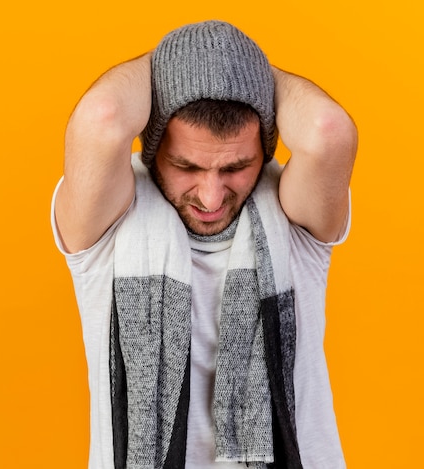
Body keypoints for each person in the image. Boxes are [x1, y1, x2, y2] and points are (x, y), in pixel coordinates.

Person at [52, 20, 357, 469]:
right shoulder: (108, 221)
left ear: (264, 152)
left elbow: (329, 131)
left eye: (236, 167)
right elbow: (102, 118)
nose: (211, 196)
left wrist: (237, 68)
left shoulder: (294, 215)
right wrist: (185, 66)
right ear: (154, 148)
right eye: (187, 166)